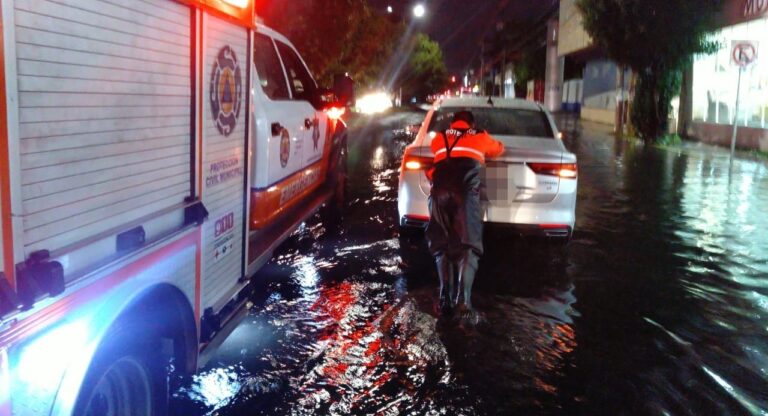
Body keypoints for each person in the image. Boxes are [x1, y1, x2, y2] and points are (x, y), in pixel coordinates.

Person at [425, 110, 504, 321]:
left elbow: (437, 154)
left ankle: (444, 297)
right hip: (465, 195)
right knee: (470, 245)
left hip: (439, 193)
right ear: (472, 124)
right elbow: (498, 150)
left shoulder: (440, 137)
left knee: (441, 243)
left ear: (453, 123)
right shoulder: (480, 136)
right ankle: (464, 300)